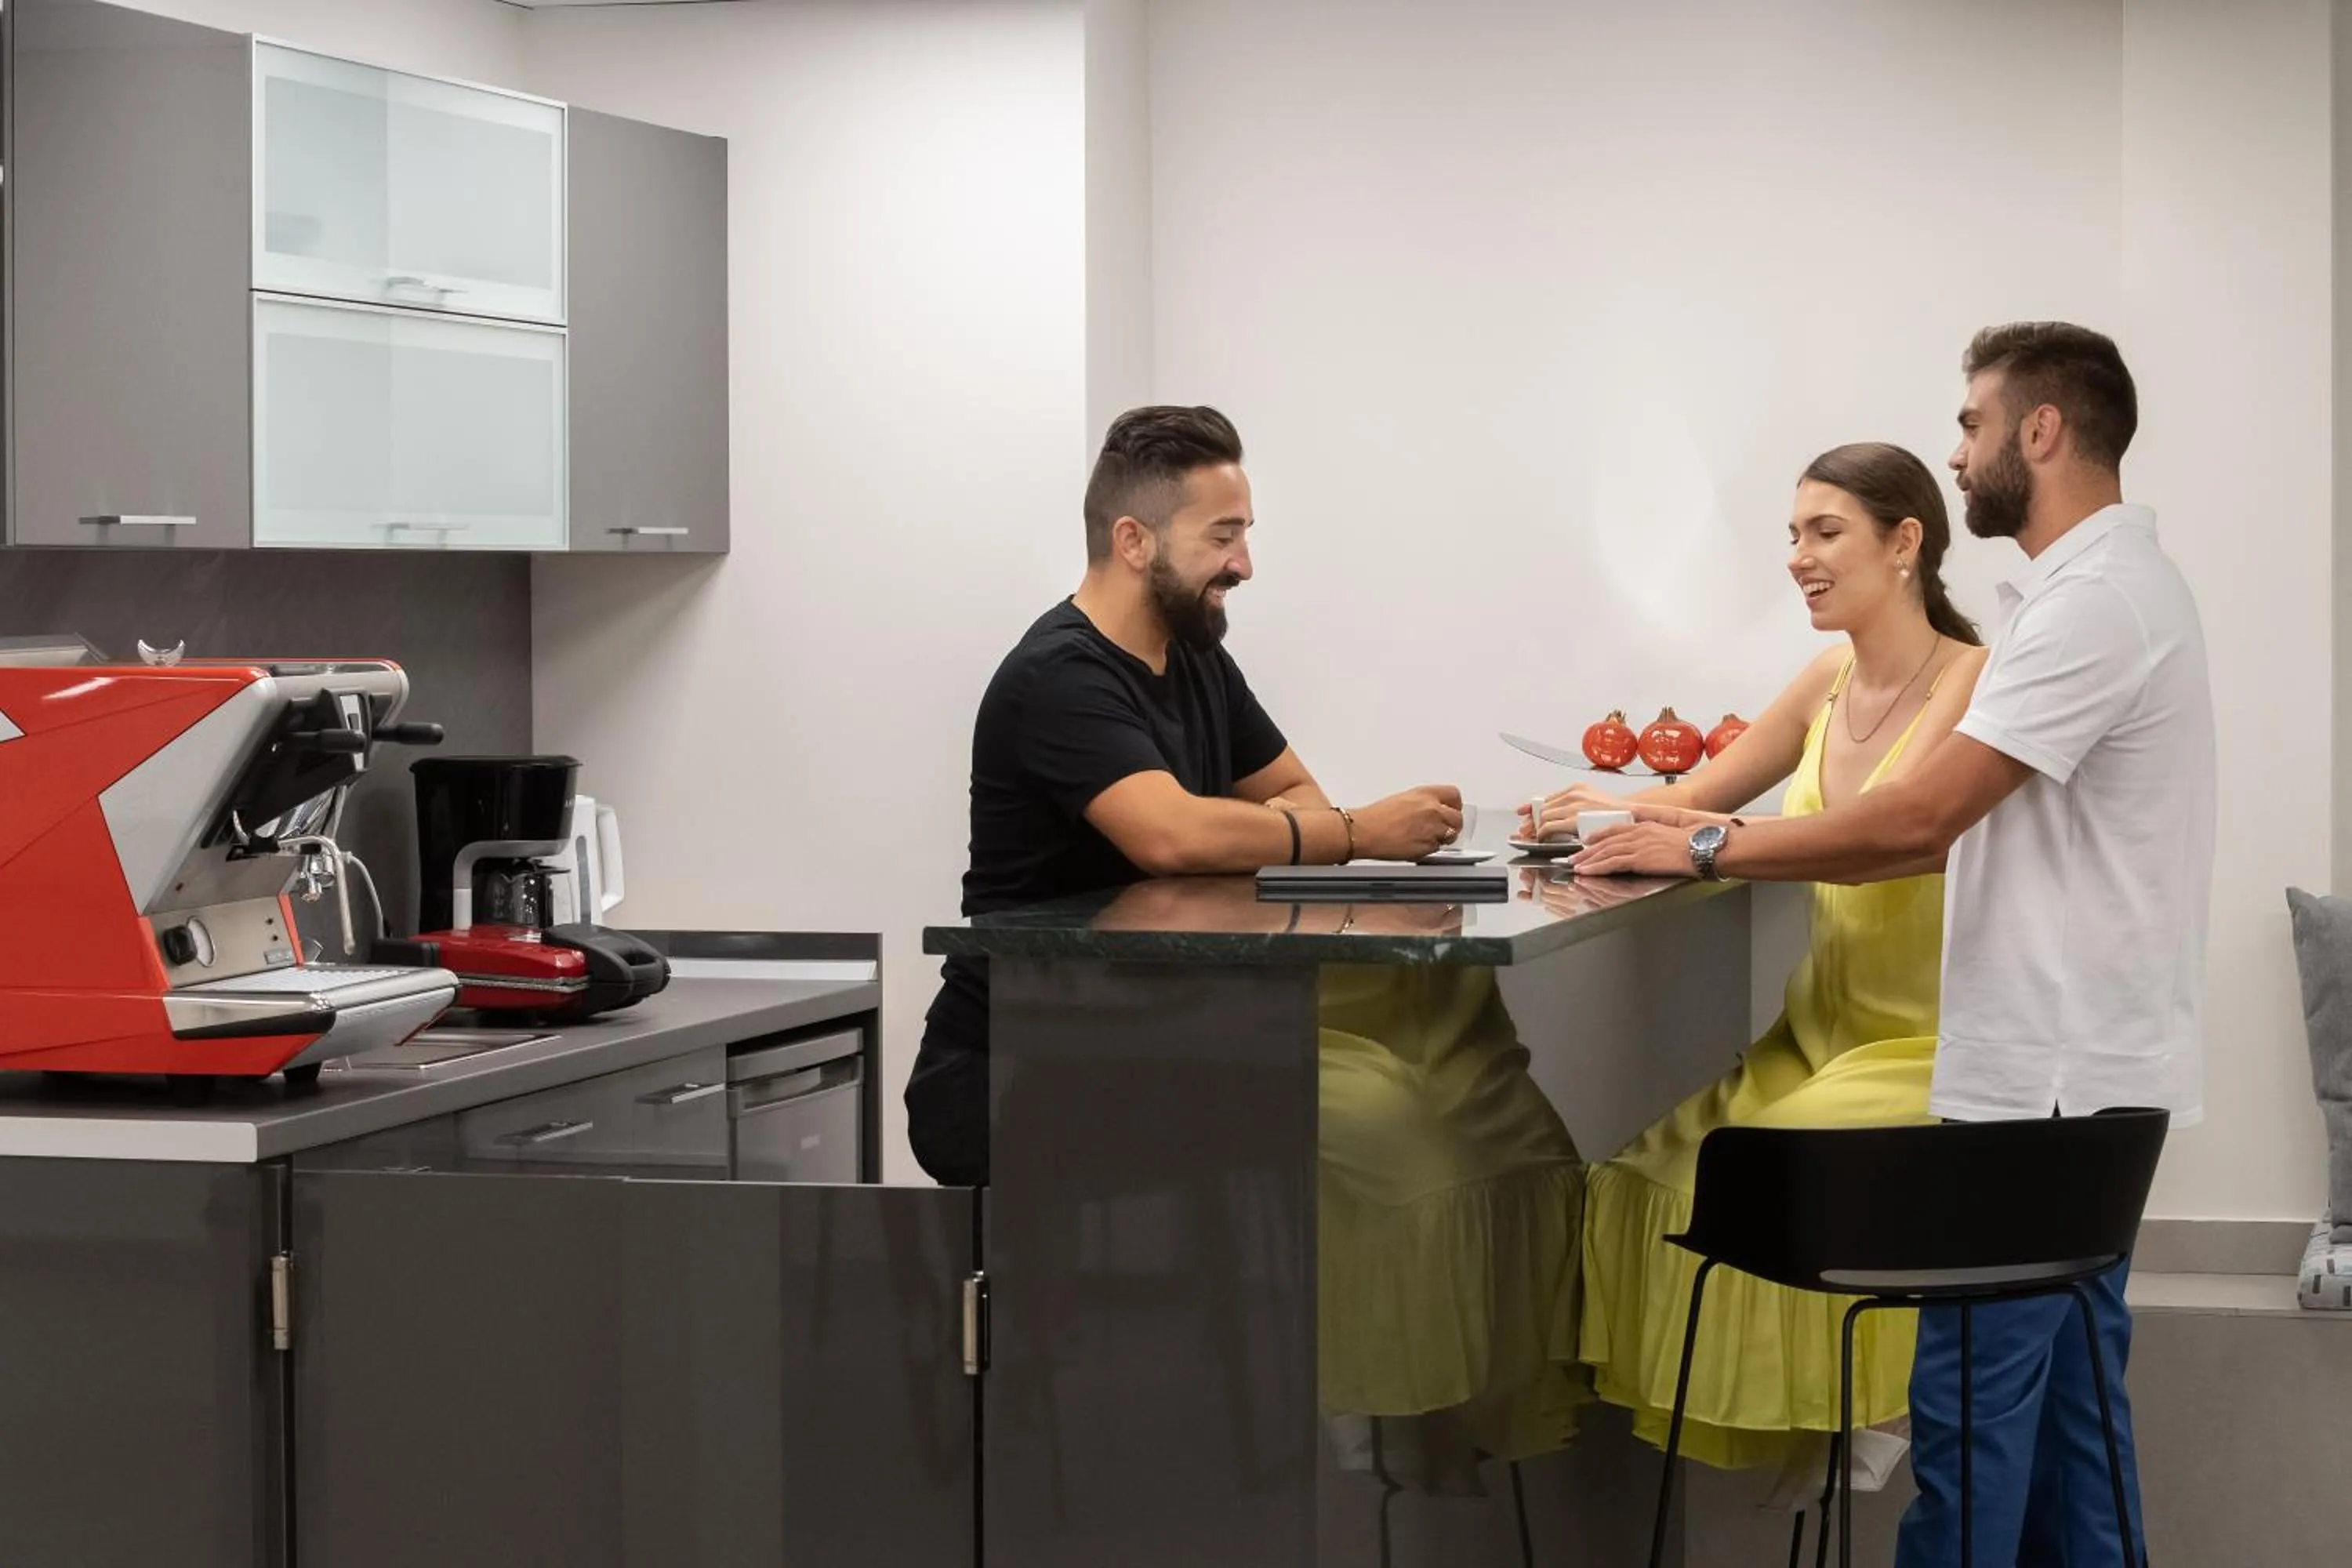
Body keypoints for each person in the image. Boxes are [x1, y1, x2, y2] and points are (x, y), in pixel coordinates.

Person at [1576, 322, 2214, 1568]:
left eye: (1972, 425)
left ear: (2041, 431)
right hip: (2083, 1086)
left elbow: (1920, 825)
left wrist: (1704, 848)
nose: (1960, 452)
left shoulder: (2093, 607)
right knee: (2072, 1450)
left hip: (2043, 1094)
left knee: (1971, 1438)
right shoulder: (2094, 596)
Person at [1524, 442, 1990, 1482]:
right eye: (1793, 534)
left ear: (1905, 541)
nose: (1798, 557)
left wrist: (1678, 835)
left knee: (1758, 1185)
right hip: (1814, 1036)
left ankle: (1853, 1412)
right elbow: (1701, 800)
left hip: (1923, 1049)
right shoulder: (1829, 674)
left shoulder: (1974, 682)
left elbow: (1898, 837)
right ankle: (1784, 1431)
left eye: (1826, 532)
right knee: (1645, 1175)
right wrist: (1592, 813)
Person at [907, 405, 1465, 1187]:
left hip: (1149, 1034)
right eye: (1222, 536)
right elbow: (1168, 836)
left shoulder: (1198, 660)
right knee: (1376, 1118)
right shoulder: (1059, 677)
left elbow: (1294, 792)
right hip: (1016, 1063)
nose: (1244, 564)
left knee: (1412, 1093)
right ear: (1134, 540)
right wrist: (1356, 831)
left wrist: (1239, 829)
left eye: (1245, 533)